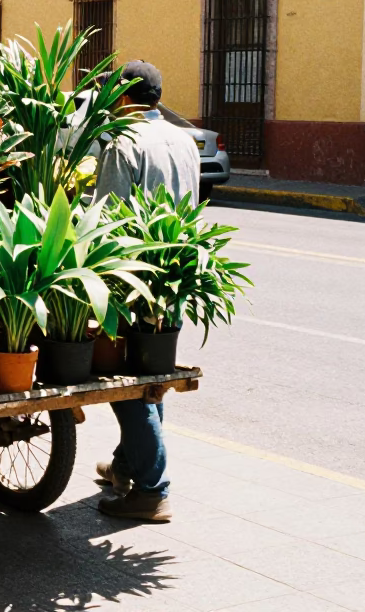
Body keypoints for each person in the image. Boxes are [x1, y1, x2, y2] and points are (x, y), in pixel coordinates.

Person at [91, 60, 200, 523]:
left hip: (132, 278)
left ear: (122, 97)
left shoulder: (124, 143)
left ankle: (152, 489)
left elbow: (105, 219)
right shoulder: (184, 139)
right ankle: (127, 464)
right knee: (151, 377)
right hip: (174, 275)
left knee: (123, 382)